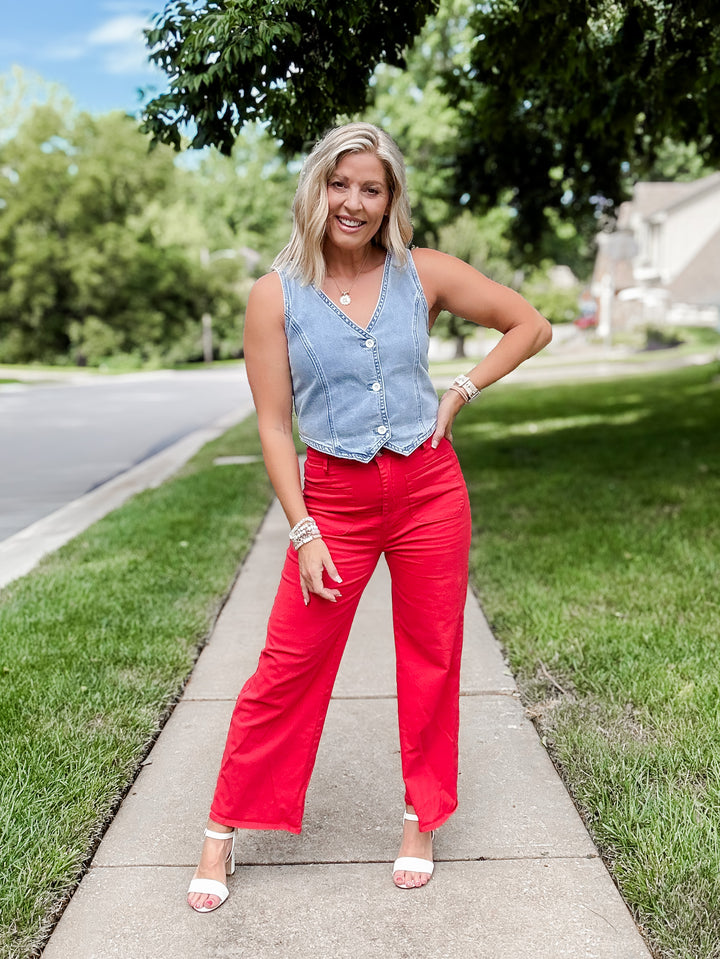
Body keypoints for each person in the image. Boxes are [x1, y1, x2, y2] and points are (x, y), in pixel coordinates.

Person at [187, 122, 552, 912]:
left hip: (428, 491)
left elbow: (532, 324)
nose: (353, 201)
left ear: (390, 200)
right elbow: (274, 426)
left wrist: (460, 391)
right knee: (288, 666)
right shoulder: (274, 295)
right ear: (316, 189)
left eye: (371, 188)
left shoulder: (422, 274)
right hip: (336, 503)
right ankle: (224, 825)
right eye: (340, 184)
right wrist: (304, 528)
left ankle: (422, 816)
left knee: (432, 655)